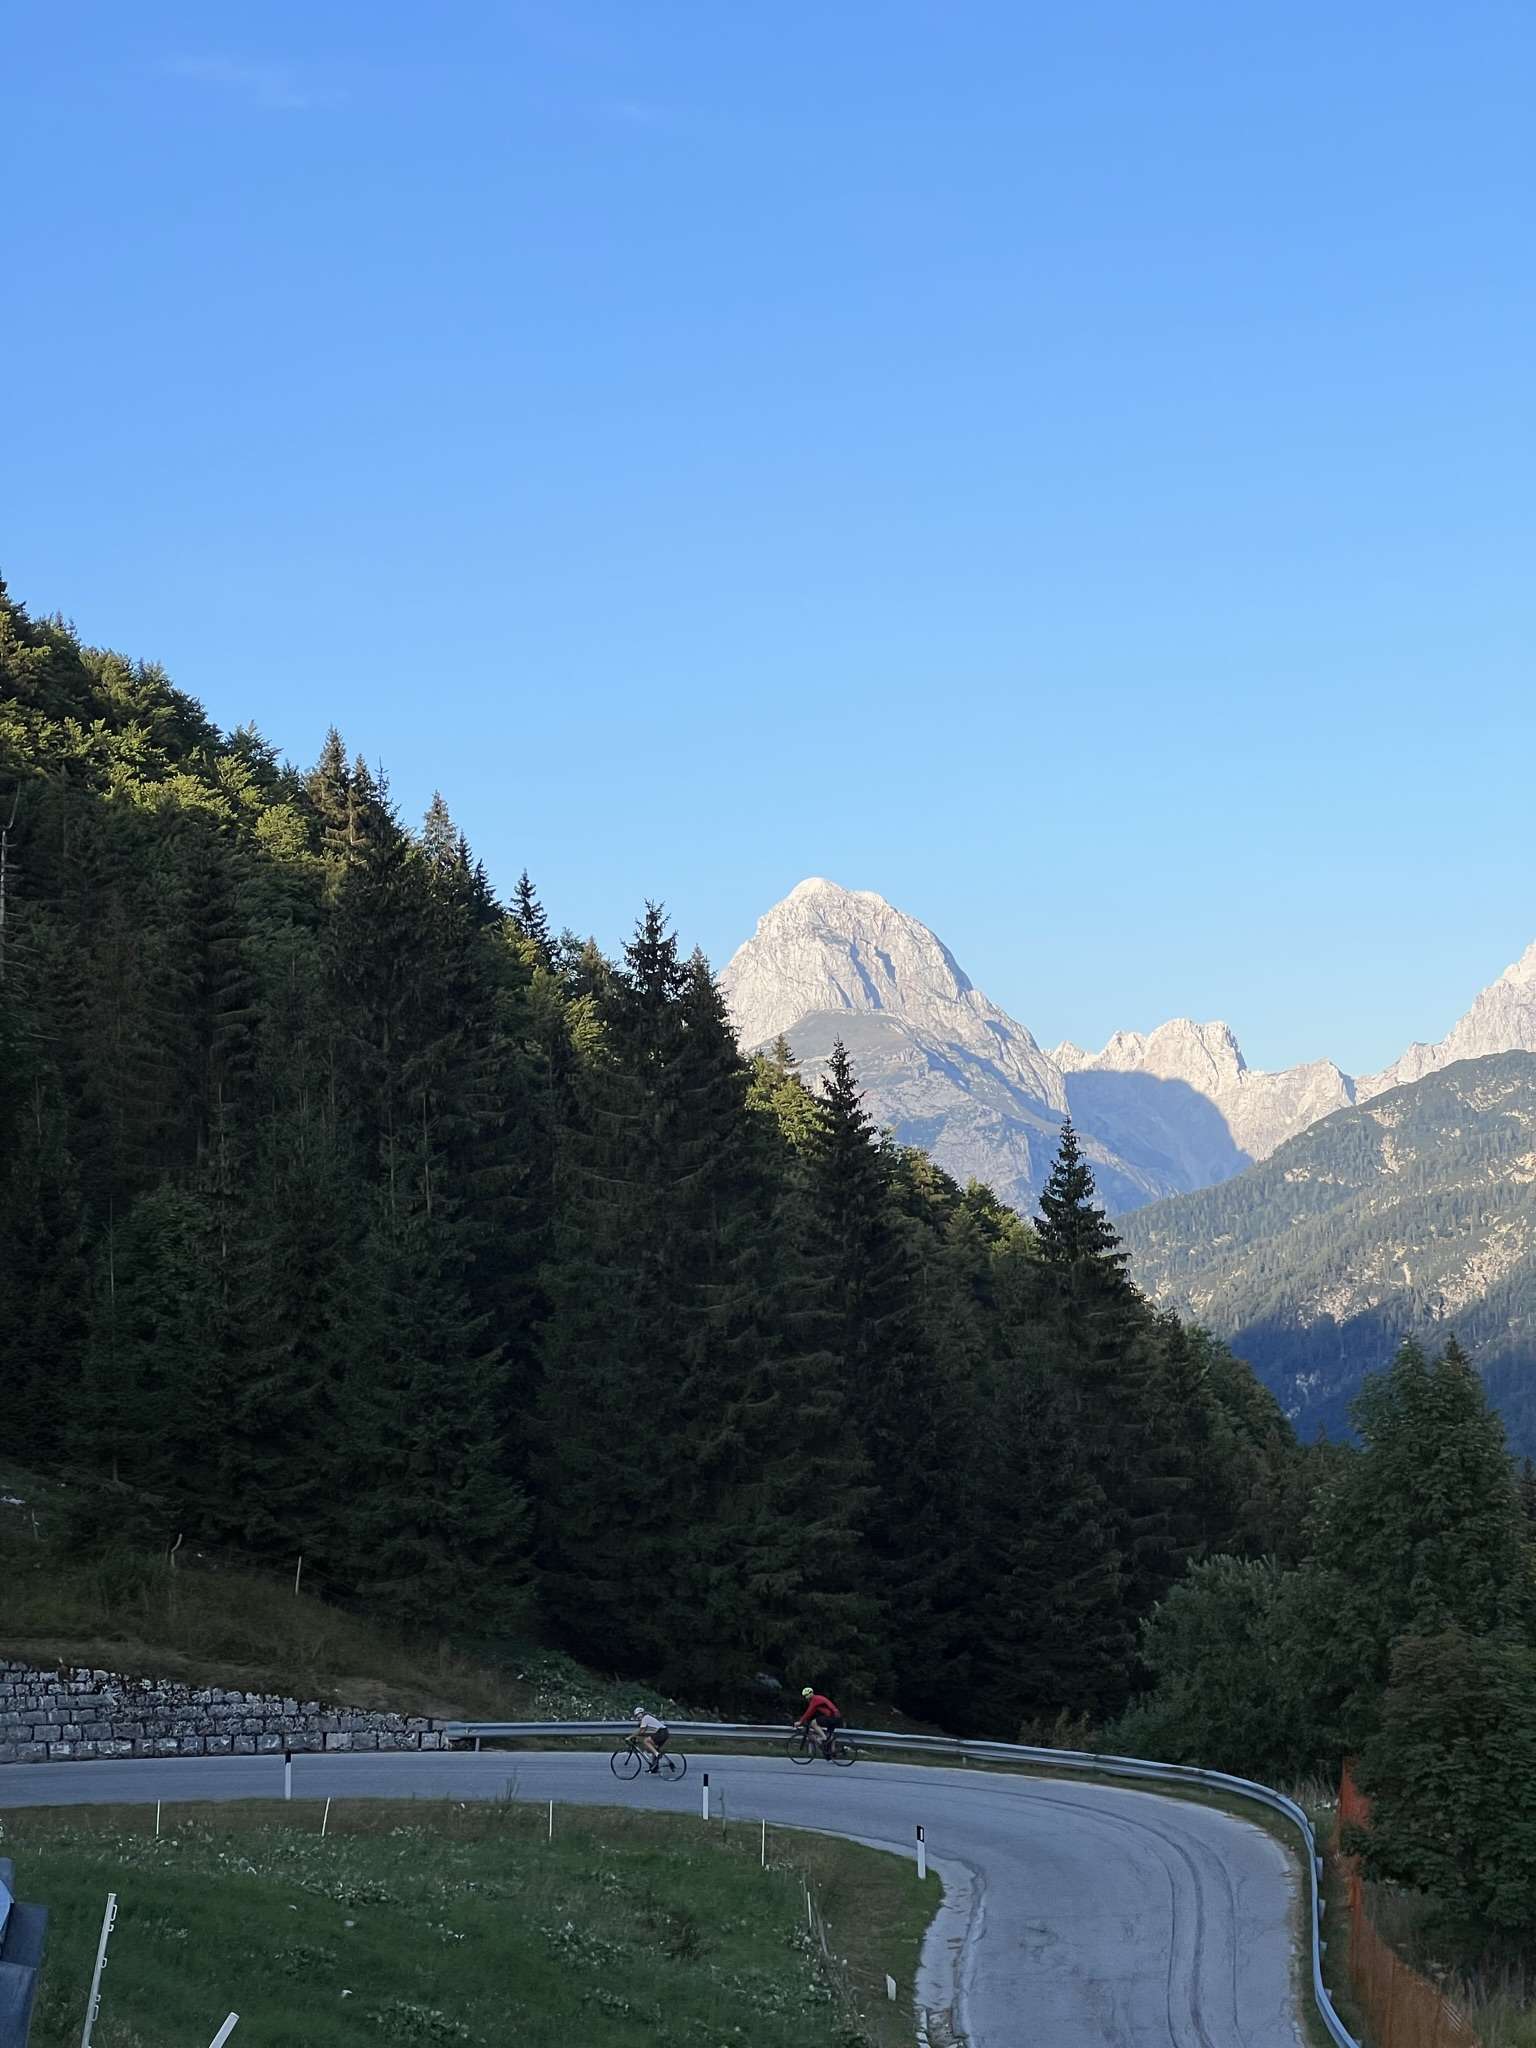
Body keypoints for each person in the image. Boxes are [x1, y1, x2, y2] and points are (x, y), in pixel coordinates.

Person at [795, 1686, 843, 1758]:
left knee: (813, 1723)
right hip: (836, 1717)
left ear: (810, 1694)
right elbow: (811, 1713)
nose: (806, 1697)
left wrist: (800, 1722)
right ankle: (832, 1753)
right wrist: (804, 1720)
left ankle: (823, 1738)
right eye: (805, 1696)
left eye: (806, 1696)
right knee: (830, 1735)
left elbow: (809, 1712)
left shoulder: (815, 1700)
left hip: (832, 1716)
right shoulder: (817, 1699)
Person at [630, 1706, 670, 1772]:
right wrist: (636, 1736)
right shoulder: (645, 1718)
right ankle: (655, 1768)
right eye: (636, 1716)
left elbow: (641, 1731)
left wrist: (630, 1737)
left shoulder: (645, 1718)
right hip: (663, 1732)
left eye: (638, 1714)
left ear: (642, 1713)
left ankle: (657, 1755)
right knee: (654, 1749)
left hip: (662, 1732)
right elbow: (643, 1732)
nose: (637, 1717)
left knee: (646, 1741)